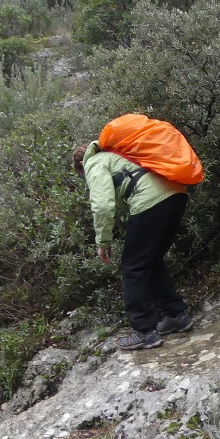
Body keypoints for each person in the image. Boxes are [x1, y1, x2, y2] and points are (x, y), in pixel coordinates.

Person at [73, 141, 193, 351]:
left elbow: (102, 205)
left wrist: (103, 242)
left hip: (150, 202)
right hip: (175, 195)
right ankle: (176, 315)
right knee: (151, 260)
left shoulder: (93, 163)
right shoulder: (118, 155)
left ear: (81, 167)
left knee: (132, 266)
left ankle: (145, 331)